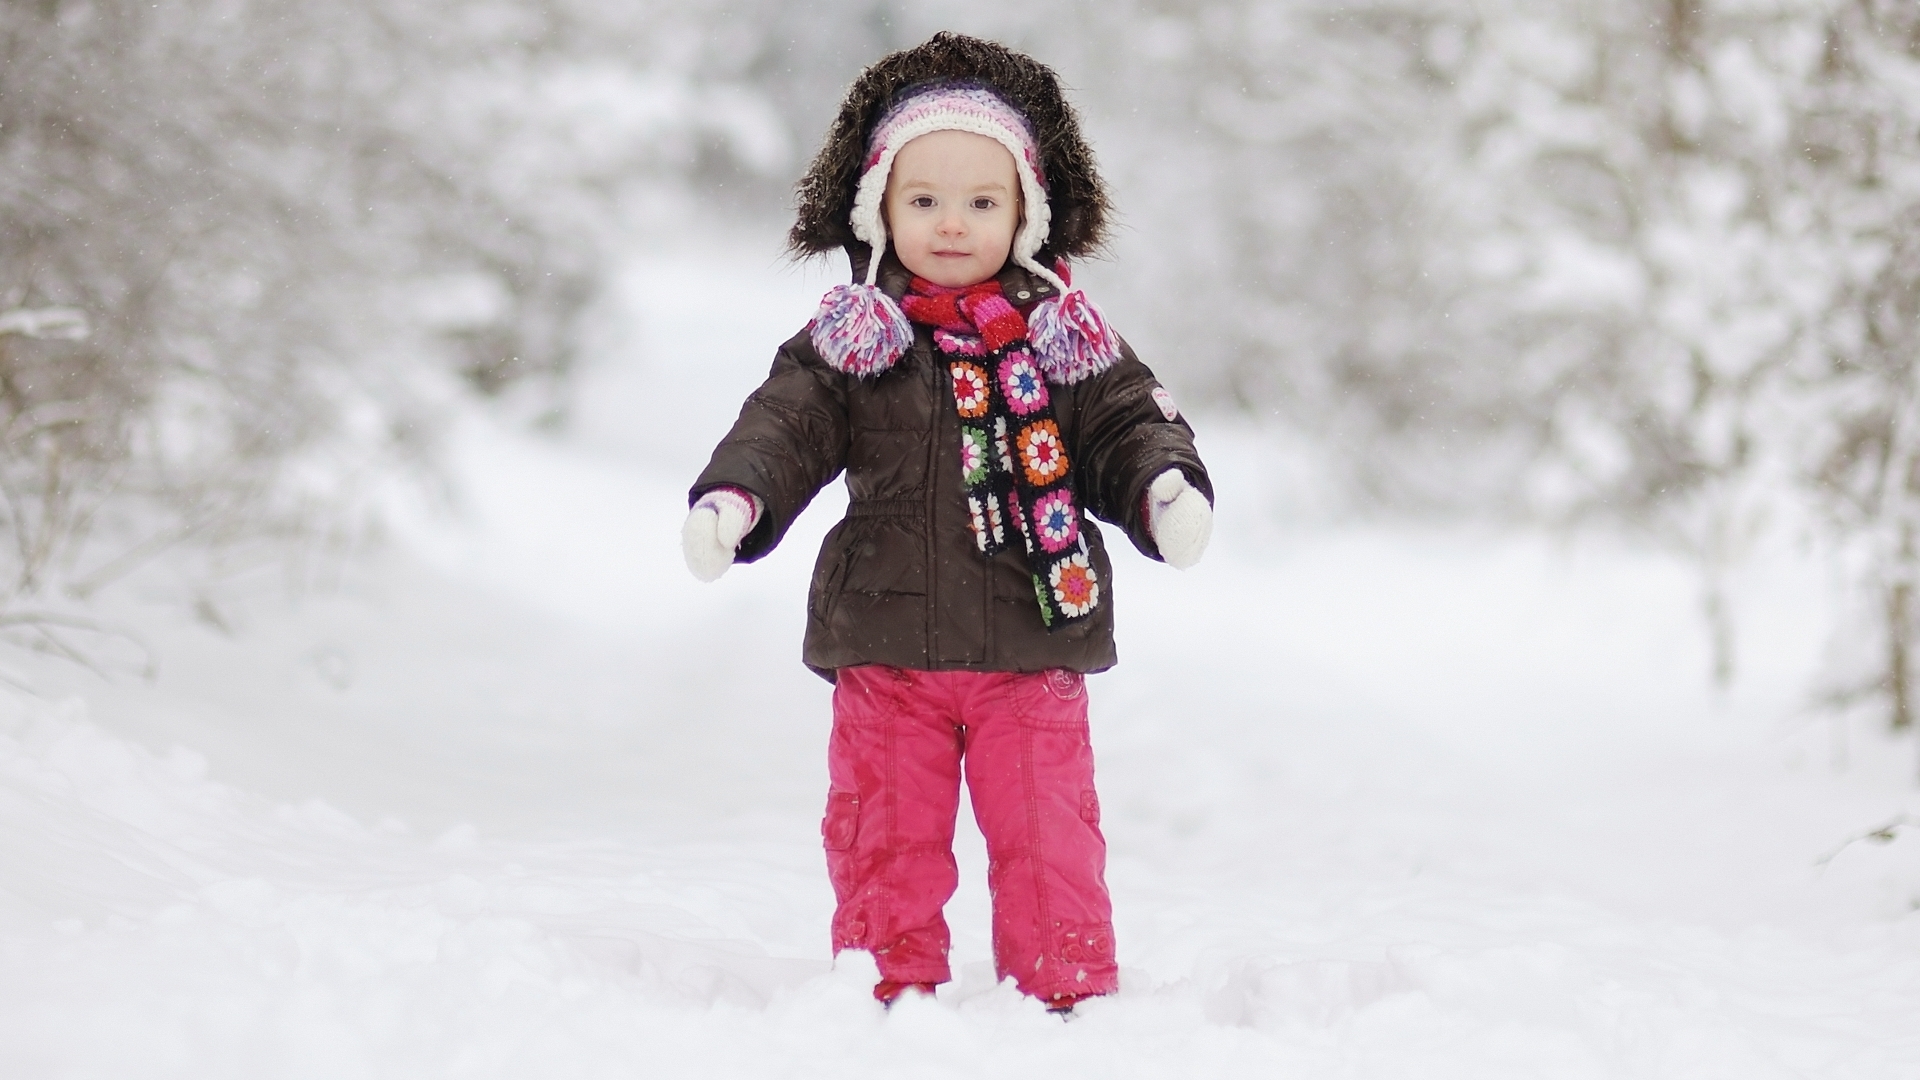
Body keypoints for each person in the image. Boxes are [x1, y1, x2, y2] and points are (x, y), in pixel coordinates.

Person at [682, 32, 1213, 1015]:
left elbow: (1123, 423)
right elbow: (787, 423)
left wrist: (1163, 486)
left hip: (1032, 638)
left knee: (1049, 828)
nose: (955, 224)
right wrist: (739, 495)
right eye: (924, 201)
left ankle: (1065, 983)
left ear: (1028, 212)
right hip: (887, 643)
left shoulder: (1067, 339)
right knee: (885, 826)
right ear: (879, 209)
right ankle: (886, 979)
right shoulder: (850, 341)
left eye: (983, 202)